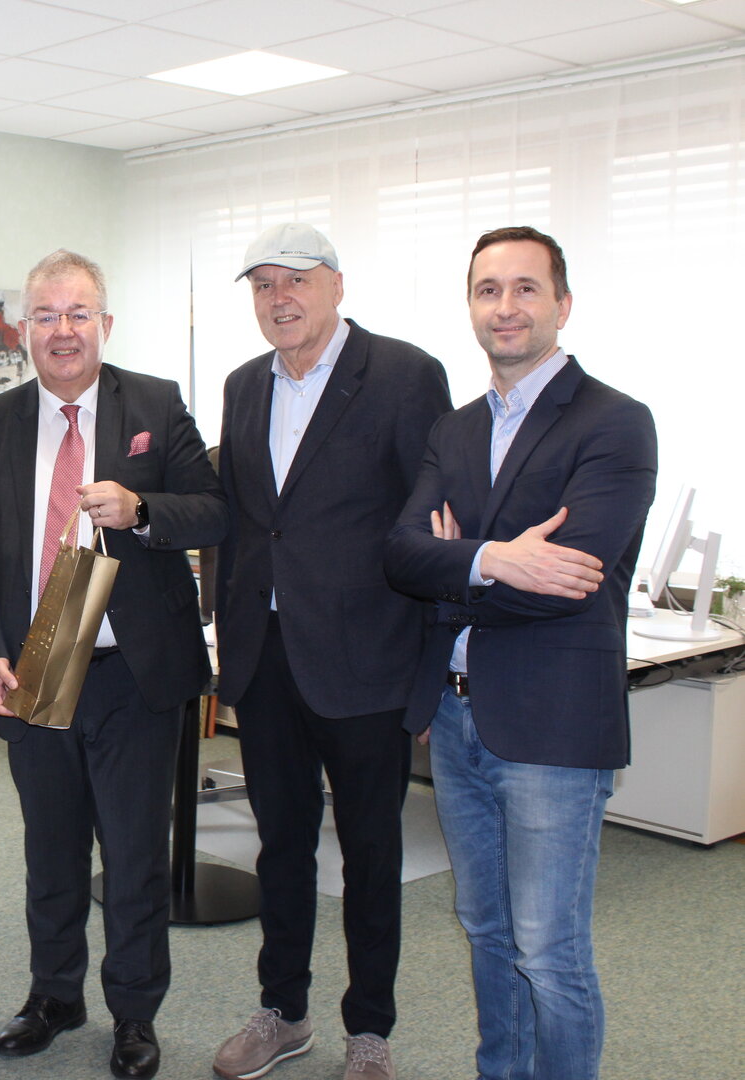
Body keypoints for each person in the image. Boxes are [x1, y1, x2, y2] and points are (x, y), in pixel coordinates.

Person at [0, 249, 228, 1080]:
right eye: (46, 315)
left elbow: (213, 509)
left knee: (135, 856)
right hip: (31, 669)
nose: (62, 332)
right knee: (52, 851)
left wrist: (141, 510)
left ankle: (134, 1013)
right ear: (24, 326)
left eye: (78, 315)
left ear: (105, 324)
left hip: (131, 673)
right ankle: (54, 996)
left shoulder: (154, 403)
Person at [384, 226, 657, 1080]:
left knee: (549, 948)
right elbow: (399, 554)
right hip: (458, 718)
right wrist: (499, 556)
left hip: (552, 723)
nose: (506, 307)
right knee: (486, 928)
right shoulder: (455, 430)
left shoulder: (615, 423)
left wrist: (459, 561)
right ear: (471, 306)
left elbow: (568, 581)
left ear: (561, 304)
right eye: (488, 290)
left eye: (525, 289)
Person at [209, 224, 452, 1080]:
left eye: (298, 281)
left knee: (371, 851)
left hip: (367, 657)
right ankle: (284, 1011)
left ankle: (369, 1030)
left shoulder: (403, 375)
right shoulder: (244, 385)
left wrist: (430, 666)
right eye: (264, 284)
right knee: (280, 842)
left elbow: (429, 522)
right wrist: (224, 635)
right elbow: (243, 521)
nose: (280, 297)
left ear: (337, 286)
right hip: (268, 656)